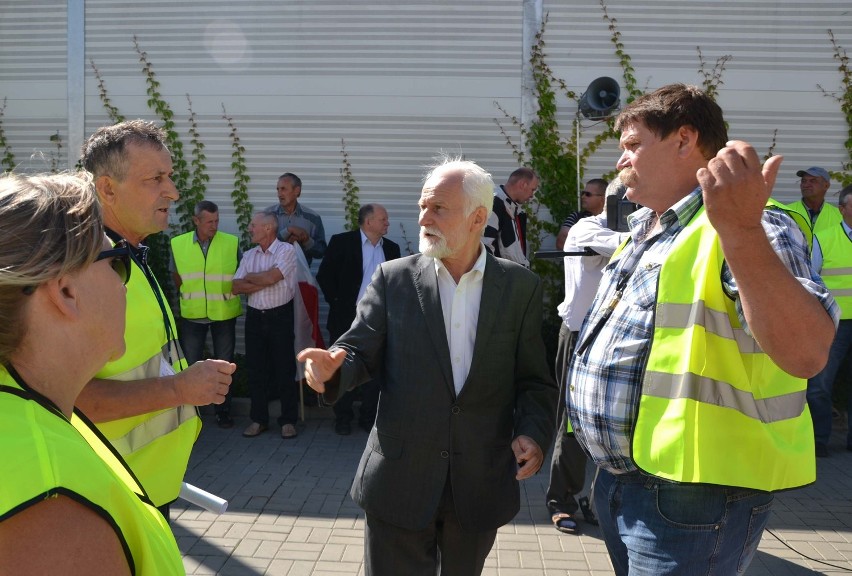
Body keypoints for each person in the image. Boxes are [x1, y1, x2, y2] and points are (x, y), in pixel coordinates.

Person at [566, 84, 839, 576]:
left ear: (684, 140)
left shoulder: (754, 225)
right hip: (624, 484)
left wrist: (742, 232)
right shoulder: (652, 228)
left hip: (693, 496)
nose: (621, 162)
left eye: (632, 145)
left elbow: (807, 353)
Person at [298, 158, 557, 576]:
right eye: (422, 206)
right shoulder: (393, 278)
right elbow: (360, 351)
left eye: (438, 208)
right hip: (399, 481)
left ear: (477, 218)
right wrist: (332, 370)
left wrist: (533, 433)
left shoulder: (520, 288)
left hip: (478, 483)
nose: (423, 217)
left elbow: (534, 381)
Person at [0, 172, 184, 575]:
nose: (125, 282)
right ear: (66, 292)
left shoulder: (31, 409)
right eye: (117, 263)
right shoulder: (52, 512)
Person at [78, 120, 236, 518]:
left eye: (170, 176)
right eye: (156, 178)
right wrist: (181, 390)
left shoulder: (127, 254)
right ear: (107, 189)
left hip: (141, 489)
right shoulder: (88, 271)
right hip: (109, 496)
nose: (173, 192)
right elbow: (72, 401)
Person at [547, 178, 626, 535]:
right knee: (573, 423)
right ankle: (560, 501)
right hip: (579, 335)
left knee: (611, 423)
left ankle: (594, 502)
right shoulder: (586, 227)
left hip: (615, 336)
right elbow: (629, 244)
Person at [316, 203, 401, 435]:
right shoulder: (342, 242)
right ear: (368, 222)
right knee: (342, 365)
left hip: (380, 317)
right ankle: (342, 418)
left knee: (375, 368)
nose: (387, 223)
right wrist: (337, 301)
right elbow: (325, 275)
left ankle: (368, 417)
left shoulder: (392, 248)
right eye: (383, 219)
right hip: (346, 316)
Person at [170, 200, 242, 429]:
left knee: (225, 366)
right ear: (196, 220)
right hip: (193, 314)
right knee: (191, 366)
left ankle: (223, 412)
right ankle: (194, 415)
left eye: (217, 220)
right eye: (209, 221)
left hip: (223, 312)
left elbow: (240, 273)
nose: (214, 225)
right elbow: (176, 276)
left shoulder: (230, 243)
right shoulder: (178, 244)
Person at [233, 211, 300, 439]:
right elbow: (236, 287)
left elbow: (273, 278)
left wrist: (252, 277)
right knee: (255, 370)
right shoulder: (249, 254)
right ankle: (258, 419)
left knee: (284, 368)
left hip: (280, 316)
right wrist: (263, 278)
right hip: (254, 317)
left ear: (269, 228)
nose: (250, 228)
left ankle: (288, 420)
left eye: (254, 225)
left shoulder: (286, 250)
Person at [807, 184, 852, 456]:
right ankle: (819, 439)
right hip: (835, 323)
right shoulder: (824, 238)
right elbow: (811, 280)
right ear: (842, 209)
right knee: (820, 385)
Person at [482, 166, 539, 267]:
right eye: (532, 190)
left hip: (512, 277)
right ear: (522, 184)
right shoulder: (496, 204)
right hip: (502, 278)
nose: (532, 196)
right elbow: (484, 245)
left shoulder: (511, 207)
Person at [266, 172, 327, 265]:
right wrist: (287, 231)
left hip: (301, 276)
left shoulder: (313, 218)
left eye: (283, 189)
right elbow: (263, 246)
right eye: (278, 189)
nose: (279, 194)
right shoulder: (267, 215)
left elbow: (321, 252)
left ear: (297, 191)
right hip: (271, 275)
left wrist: (306, 240)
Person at [555, 178, 608, 250]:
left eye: (588, 194)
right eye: (583, 193)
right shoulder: (576, 217)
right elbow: (561, 242)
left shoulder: (615, 219)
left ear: (603, 198)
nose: (583, 197)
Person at [789, 166, 842, 235]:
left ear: (826, 186)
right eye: (804, 181)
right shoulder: (786, 212)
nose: (806, 185)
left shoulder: (840, 216)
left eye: (813, 181)